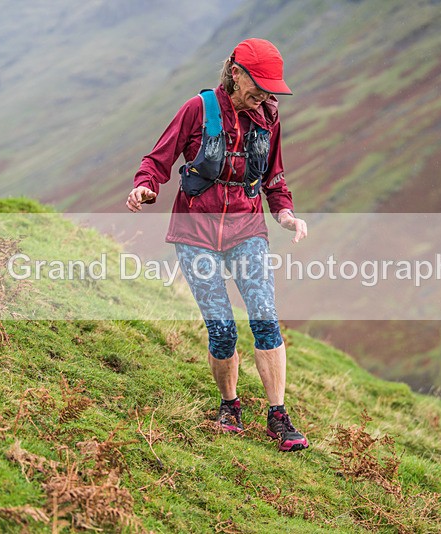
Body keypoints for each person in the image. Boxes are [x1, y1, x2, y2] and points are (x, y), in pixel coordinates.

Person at [127, 38, 309, 452]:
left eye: (271, 88)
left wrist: (285, 215)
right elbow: (158, 160)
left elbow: (274, 179)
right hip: (195, 236)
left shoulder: (269, 120)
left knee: (265, 319)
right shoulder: (198, 110)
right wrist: (144, 188)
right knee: (223, 330)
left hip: (248, 231)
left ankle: (278, 417)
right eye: (258, 84)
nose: (264, 94)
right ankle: (230, 406)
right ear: (234, 72)